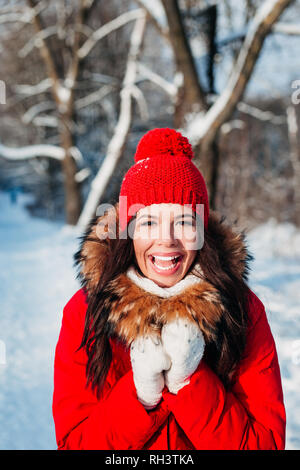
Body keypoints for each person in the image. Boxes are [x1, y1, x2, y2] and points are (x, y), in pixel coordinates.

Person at [52, 128, 286, 450]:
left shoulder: (243, 311)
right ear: (129, 231)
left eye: (184, 221)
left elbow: (265, 445)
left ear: (202, 230)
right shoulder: (85, 313)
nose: (167, 239)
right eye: (149, 222)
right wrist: (138, 396)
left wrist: (190, 382)